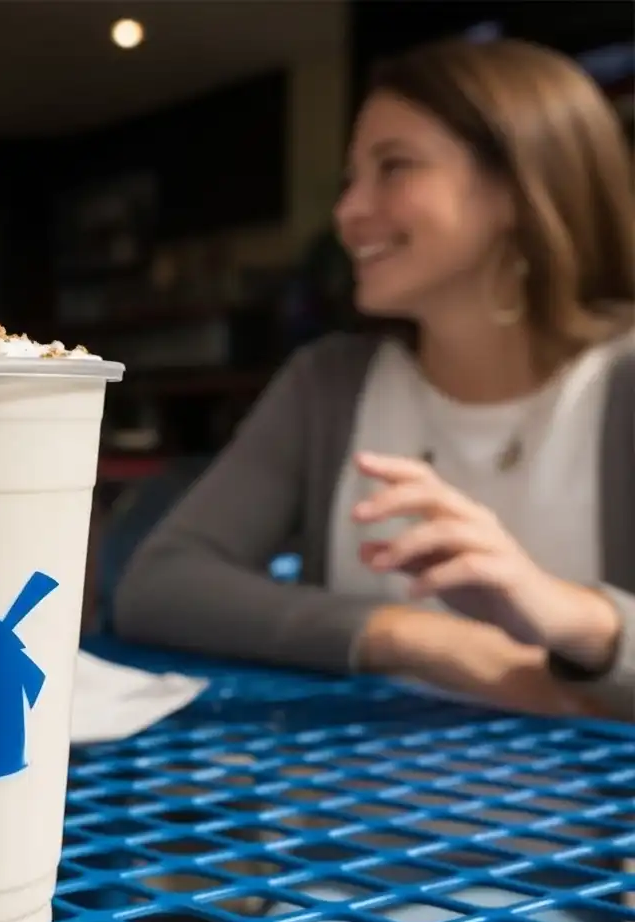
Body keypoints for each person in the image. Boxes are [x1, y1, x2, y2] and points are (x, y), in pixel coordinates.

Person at [114, 36, 635, 723]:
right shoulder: (327, 384)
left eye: (394, 168)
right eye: (349, 179)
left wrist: (581, 620)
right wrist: (418, 637)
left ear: (521, 186)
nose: (348, 212)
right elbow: (160, 583)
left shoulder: (621, 381)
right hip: (352, 821)